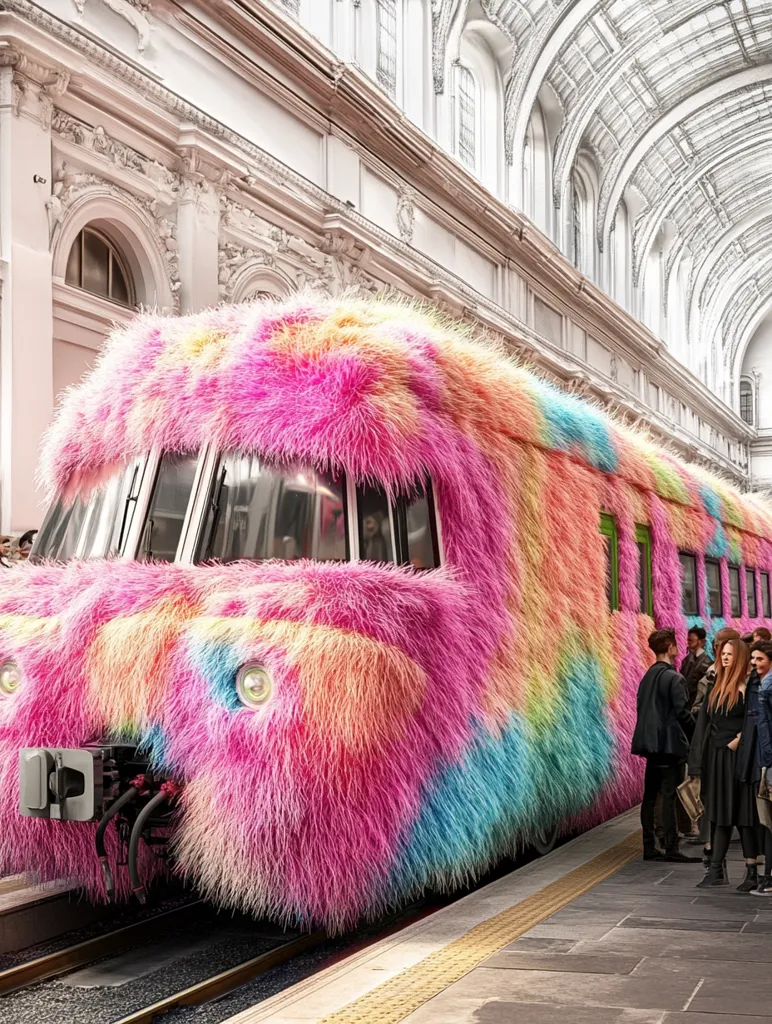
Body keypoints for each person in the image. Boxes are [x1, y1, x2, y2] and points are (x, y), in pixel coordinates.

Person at [689, 638, 759, 889]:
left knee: (743, 813)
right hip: (716, 758)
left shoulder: (750, 686)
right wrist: (696, 763)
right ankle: (716, 869)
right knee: (718, 813)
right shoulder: (716, 685)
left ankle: (751, 872)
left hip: (739, 758)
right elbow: (704, 724)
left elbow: (756, 720)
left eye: (730, 654)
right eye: (723, 654)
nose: (725, 657)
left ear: (739, 656)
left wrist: (740, 739)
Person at [632, 628, 699, 863]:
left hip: (651, 746)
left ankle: (649, 847)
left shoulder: (646, 677)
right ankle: (671, 847)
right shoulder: (675, 678)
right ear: (670, 648)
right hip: (671, 747)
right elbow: (682, 713)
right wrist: (696, 733)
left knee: (650, 796)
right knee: (669, 796)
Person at [750, 641, 772, 896]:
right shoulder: (763, 684)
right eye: (753, 659)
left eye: (760, 659)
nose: (755, 663)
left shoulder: (767, 686)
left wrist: (766, 762)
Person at [680, 627, 712, 707]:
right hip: (685, 701)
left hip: (696, 704)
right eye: (688, 639)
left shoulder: (706, 662)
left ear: (701, 641)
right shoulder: (687, 659)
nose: (688, 642)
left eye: (691, 640)